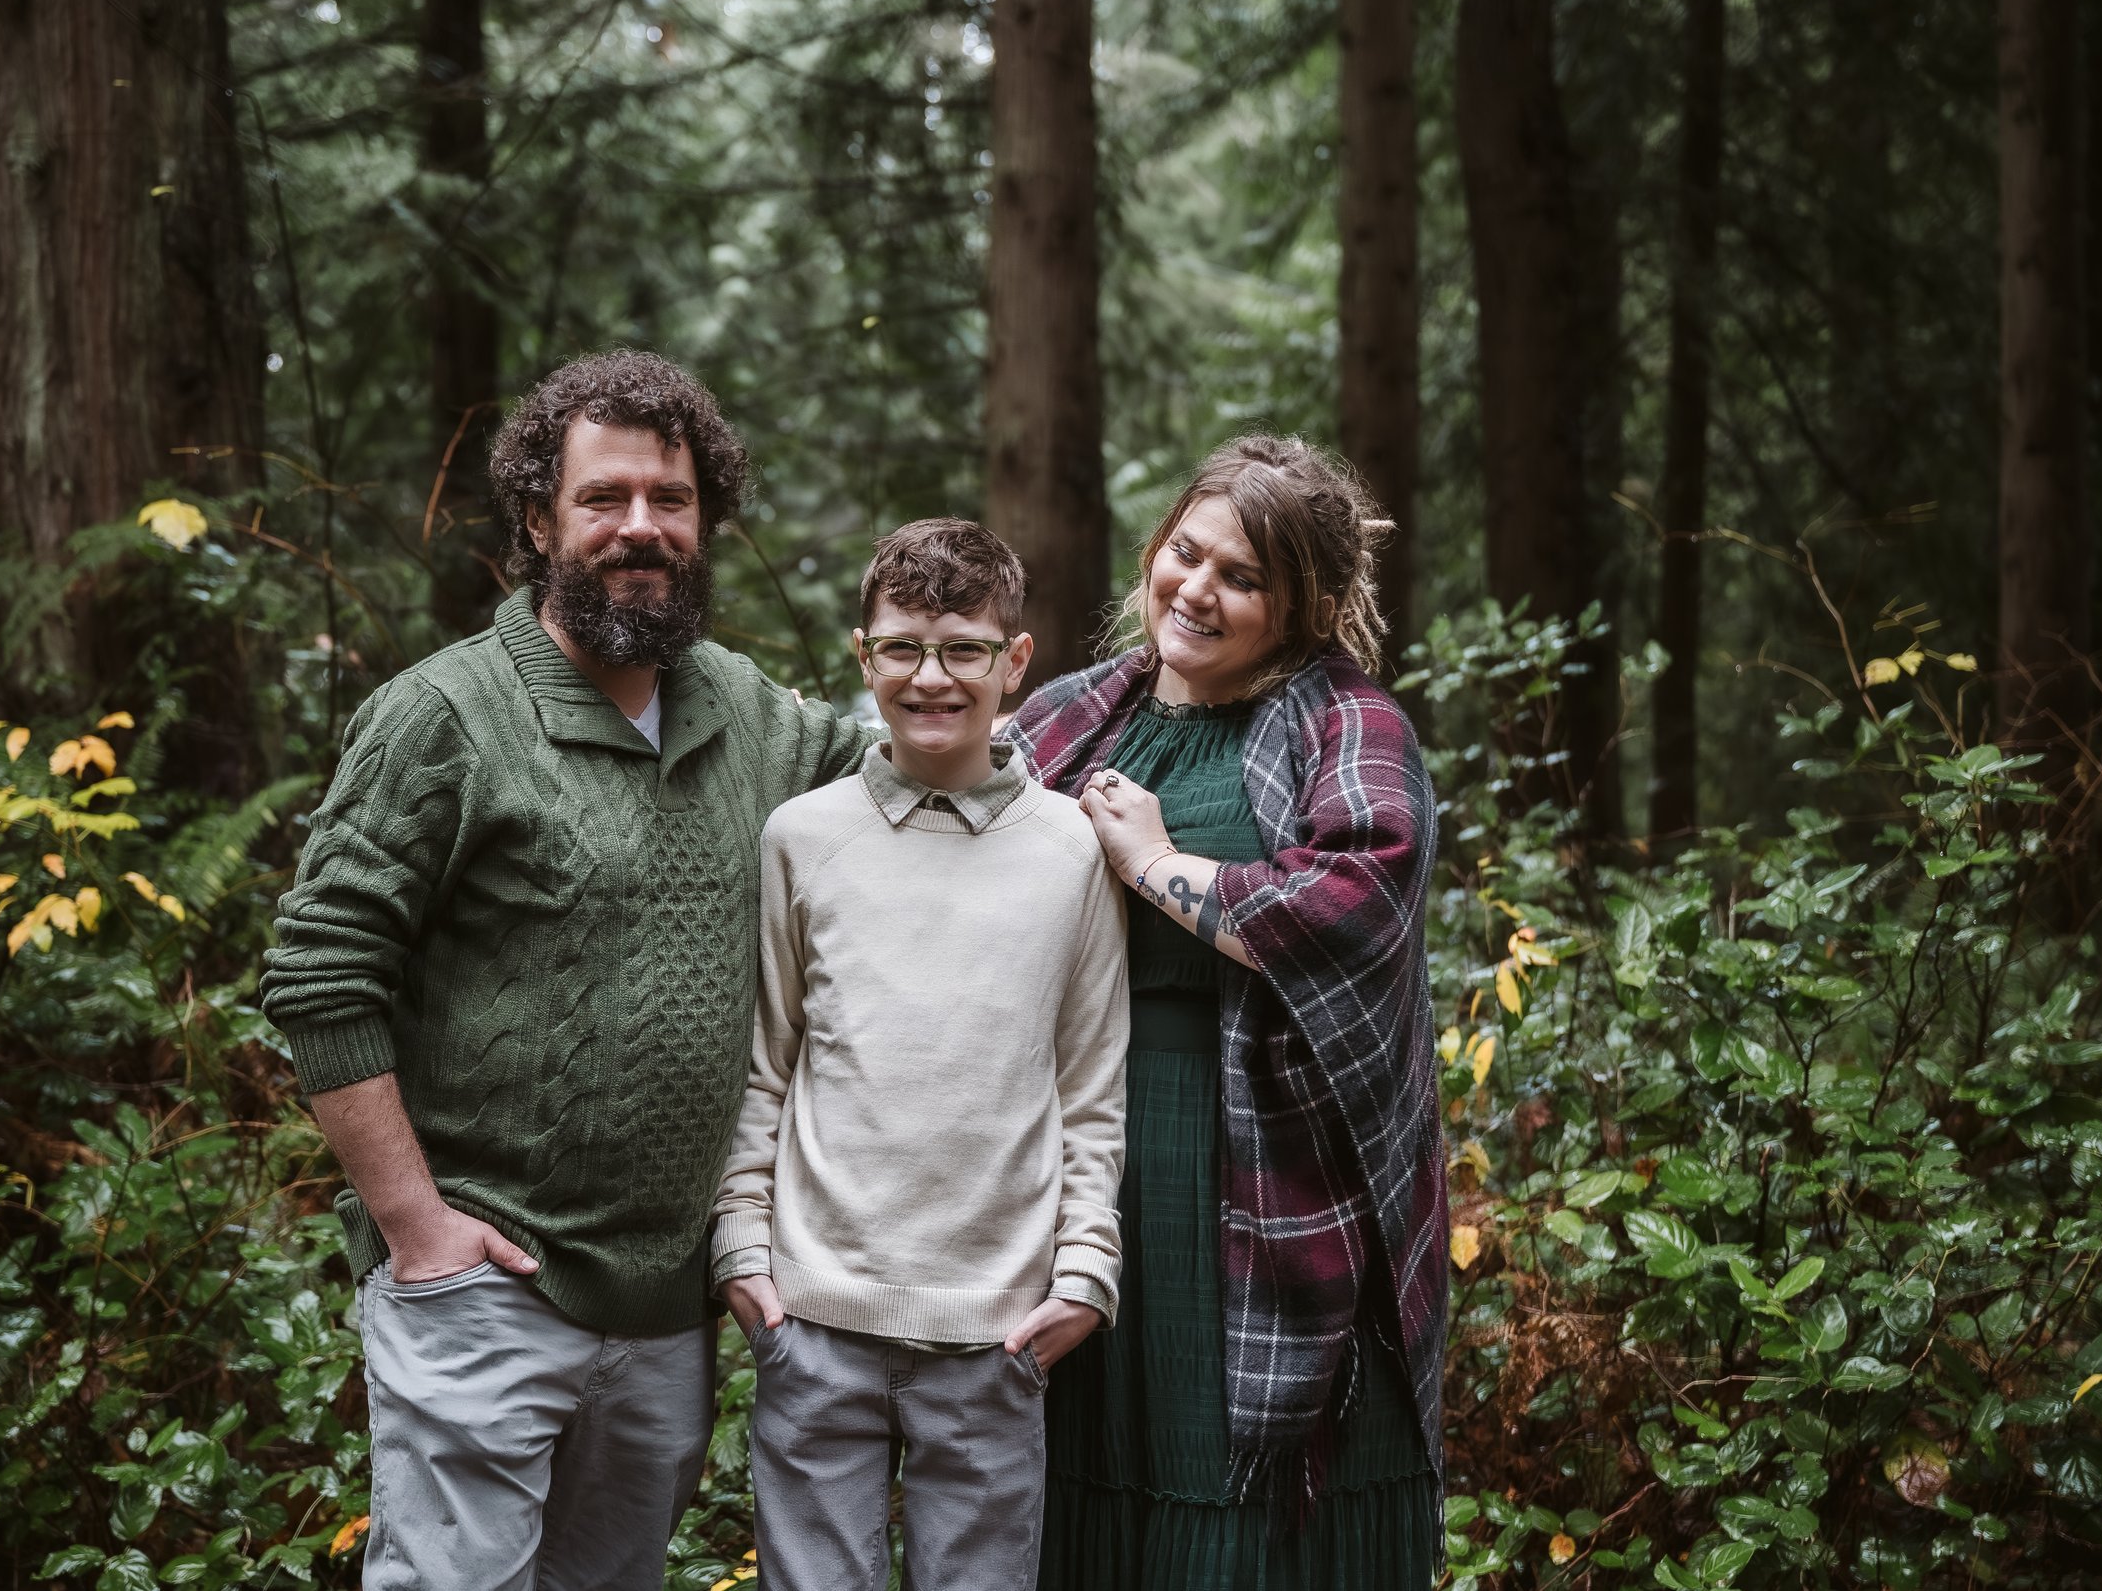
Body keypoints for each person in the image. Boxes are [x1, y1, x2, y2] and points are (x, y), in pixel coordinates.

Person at [258, 350, 872, 1591]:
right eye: (604, 499)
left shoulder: (747, 711)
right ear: (539, 520)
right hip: (482, 1291)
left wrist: (1150, 699)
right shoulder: (446, 716)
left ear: (706, 518)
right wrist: (416, 1229)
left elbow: (926, 749)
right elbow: (320, 975)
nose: (640, 527)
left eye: (671, 497)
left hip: (664, 1317)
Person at [1008, 435, 1446, 1590]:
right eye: (1185, 553)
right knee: (1080, 1456)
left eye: (1240, 578)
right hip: (1079, 1153)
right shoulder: (1069, 717)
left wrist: (1156, 864)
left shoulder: (1345, 722)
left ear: (1302, 605)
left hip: (1261, 1164)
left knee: (1236, 1473)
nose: (1194, 591)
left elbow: (1355, 903)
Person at [711, 518, 1130, 1591]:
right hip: (814, 1321)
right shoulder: (802, 836)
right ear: (864, 654)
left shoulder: (1072, 848)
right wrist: (742, 1246)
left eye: (963, 649)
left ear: (1014, 661)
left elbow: (1089, 1086)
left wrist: (1085, 1268)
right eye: (901, 646)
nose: (930, 677)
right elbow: (768, 1060)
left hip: (998, 1333)